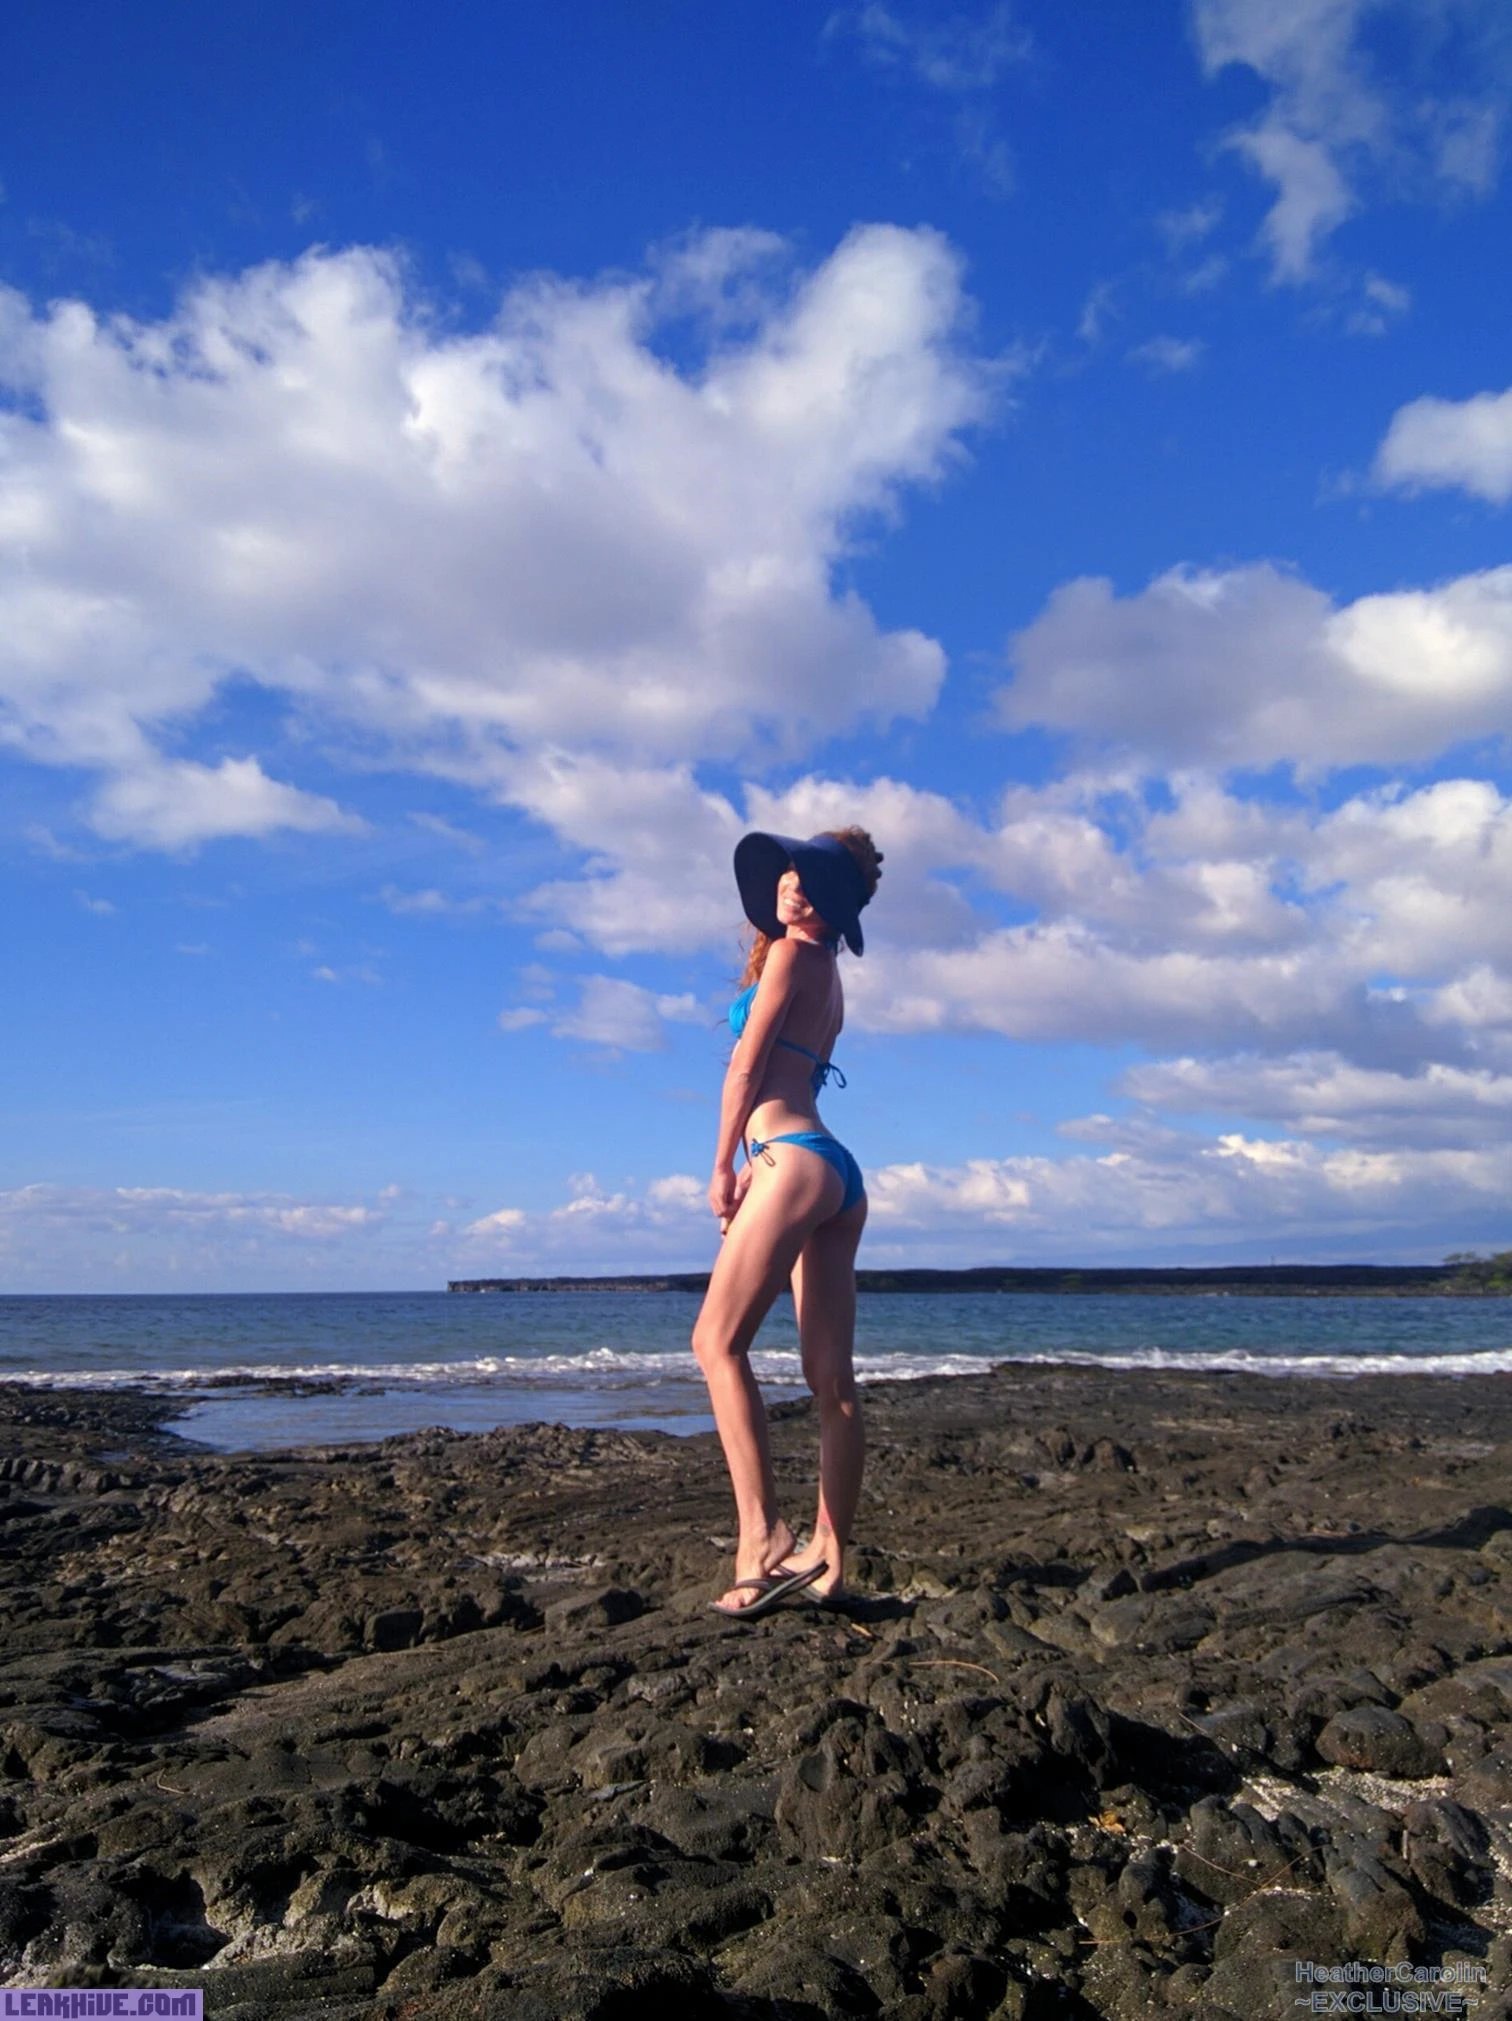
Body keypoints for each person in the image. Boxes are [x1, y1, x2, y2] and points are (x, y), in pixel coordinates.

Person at [692, 825, 883, 1619]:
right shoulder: (827, 972)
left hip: (791, 1158)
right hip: (834, 1169)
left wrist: (723, 1165)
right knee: (831, 1379)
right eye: (790, 873)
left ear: (833, 904)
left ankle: (762, 1536)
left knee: (715, 1343)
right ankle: (829, 1558)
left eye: (811, 881)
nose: (792, 886)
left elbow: (746, 1068)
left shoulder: (791, 957)